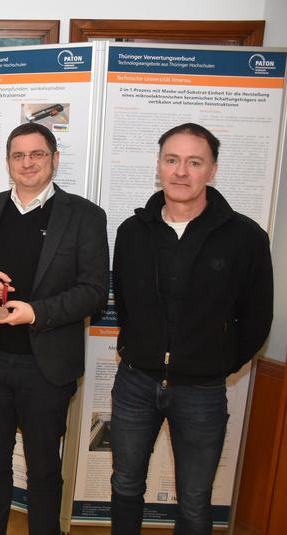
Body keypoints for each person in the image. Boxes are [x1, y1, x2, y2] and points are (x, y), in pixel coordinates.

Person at [110, 123, 273, 535]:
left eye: (194, 162)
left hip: (201, 393)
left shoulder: (246, 237)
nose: (181, 172)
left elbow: (257, 319)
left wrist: (214, 363)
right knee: (125, 486)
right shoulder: (132, 232)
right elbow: (125, 303)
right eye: (172, 160)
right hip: (135, 385)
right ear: (159, 167)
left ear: (212, 171)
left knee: (195, 501)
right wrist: (137, 348)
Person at [0, 122, 109, 534]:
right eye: (18, 155)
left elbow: (94, 291)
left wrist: (36, 312)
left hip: (46, 369)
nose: (28, 163)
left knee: (42, 470)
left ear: (55, 159)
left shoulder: (85, 216)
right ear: (8, 163)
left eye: (37, 154)